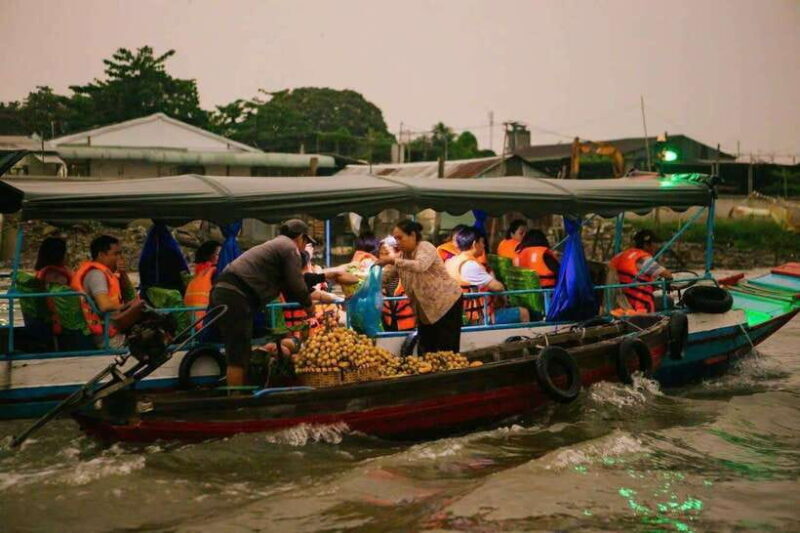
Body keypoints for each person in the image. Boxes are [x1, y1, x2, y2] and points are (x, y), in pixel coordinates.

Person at [209, 219, 316, 387]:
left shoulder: (276, 245)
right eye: (306, 242)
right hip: (235, 295)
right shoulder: (289, 247)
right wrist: (310, 308)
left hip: (227, 292)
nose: (305, 246)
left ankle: (241, 391)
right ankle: (236, 400)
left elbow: (289, 284)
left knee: (240, 348)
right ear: (301, 237)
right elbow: (296, 285)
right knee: (237, 352)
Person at [376, 220, 463, 353]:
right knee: (427, 349)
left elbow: (420, 265)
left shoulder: (425, 247)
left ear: (412, 235)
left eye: (400, 238)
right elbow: (386, 276)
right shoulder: (403, 256)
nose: (397, 242)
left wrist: (392, 260)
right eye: (395, 239)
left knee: (446, 349)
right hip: (425, 310)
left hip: (447, 304)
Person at [445, 226, 530, 325]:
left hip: (459, 313)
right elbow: (498, 287)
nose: (484, 245)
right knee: (524, 312)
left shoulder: (450, 261)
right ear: (474, 244)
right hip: (478, 318)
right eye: (482, 242)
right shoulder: (471, 265)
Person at [71, 235, 138, 348]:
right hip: (107, 337)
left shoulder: (109, 274)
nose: (120, 258)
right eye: (116, 254)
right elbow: (105, 305)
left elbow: (130, 296)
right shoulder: (96, 275)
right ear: (101, 255)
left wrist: (123, 274)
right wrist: (127, 307)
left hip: (117, 329)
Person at [609, 229, 673, 313]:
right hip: (639, 304)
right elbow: (667, 275)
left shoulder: (623, 255)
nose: (656, 246)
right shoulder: (643, 259)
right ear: (646, 245)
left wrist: (655, 284)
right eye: (654, 243)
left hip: (621, 300)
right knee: (668, 301)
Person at [378, 236, 416, 332]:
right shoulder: (379, 274)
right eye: (380, 254)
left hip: (410, 326)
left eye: (387, 253)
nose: (383, 257)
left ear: (400, 253)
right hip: (389, 324)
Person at [184, 240, 221, 330]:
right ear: (209, 256)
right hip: (206, 325)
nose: (222, 257)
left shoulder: (196, 275)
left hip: (192, 324)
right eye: (218, 254)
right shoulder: (213, 273)